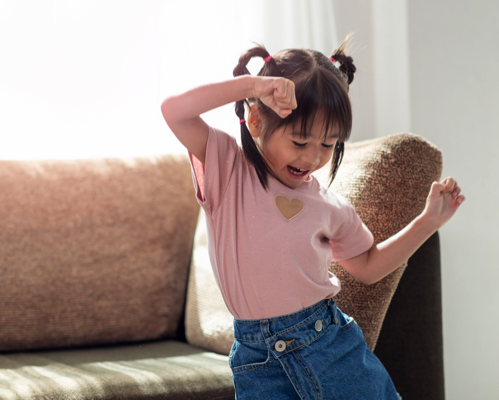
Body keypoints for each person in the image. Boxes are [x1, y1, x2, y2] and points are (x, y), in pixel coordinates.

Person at [161, 38, 464, 400]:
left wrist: (428, 222)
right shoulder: (228, 169)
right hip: (256, 359)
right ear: (256, 121)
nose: (313, 157)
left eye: (328, 144)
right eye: (300, 142)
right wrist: (254, 87)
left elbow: (368, 266)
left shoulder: (330, 207)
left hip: (329, 345)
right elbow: (174, 110)